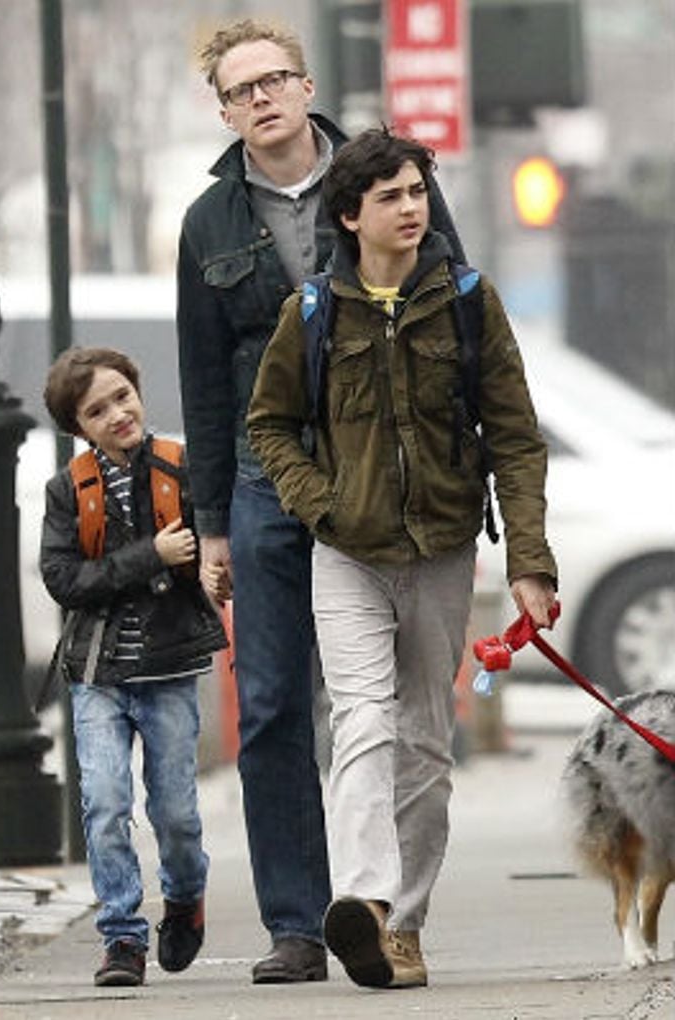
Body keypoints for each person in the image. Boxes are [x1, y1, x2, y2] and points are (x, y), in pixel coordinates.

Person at [176, 19, 466, 984]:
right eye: (239, 90)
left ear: (305, 88)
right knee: (269, 704)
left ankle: (381, 908)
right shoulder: (210, 222)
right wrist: (210, 520)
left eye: (274, 81)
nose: (260, 99)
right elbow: (208, 385)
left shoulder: (387, 177)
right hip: (268, 474)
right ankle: (299, 924)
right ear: (223, 111)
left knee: (378, 707)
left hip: (382, 470)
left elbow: (454, 306)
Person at [247, 128, 558, 990]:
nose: (411, 208)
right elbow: (268, 424)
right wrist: (322, 503)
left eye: (417, 192)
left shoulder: (466, 300)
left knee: (423, 742)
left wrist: (531, 560)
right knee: (362, 724)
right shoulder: (312, 312)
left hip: (443, 547)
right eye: (390, 196)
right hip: (347, 552)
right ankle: (365, 900)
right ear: (350, 216)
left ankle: (403, 924)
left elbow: (516, 438)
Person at [40, 347, 226, 988]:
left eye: (123, 396)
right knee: (105, 803)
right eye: (97, 410)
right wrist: (151, 554)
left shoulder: (179, 468)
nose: (118, 414)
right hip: (98, 671)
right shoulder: (69, 490)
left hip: (169, 664)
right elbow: (63, 578)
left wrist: (206, 568)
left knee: (175, 810)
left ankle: (183, 895)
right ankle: (121, 936)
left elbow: (207, 548)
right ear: (78, 427)